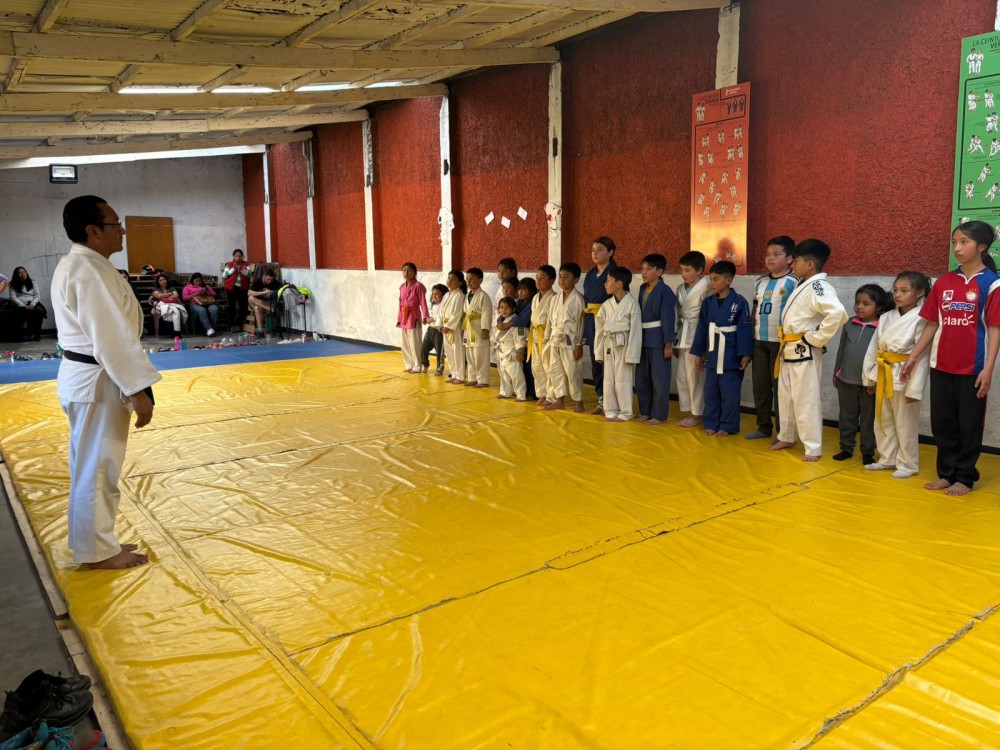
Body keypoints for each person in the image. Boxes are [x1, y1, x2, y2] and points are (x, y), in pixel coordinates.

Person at [52, 195, 159, 570]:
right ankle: (97, 553)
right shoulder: (87, 271)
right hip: (99, 381)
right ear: (93, 230)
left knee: (91, 467)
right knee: (99, 469)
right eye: (115, 224)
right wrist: (138, 390)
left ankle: (94, 543)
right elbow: (110, 338)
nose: (123, 230)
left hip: (88, 379)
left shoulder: (84, 266)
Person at [901, 220, 1000, 496]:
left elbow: (994, 328)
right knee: (943, 423)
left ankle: (965, 477)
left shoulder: (992, 285)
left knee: (969, 425)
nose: (957, 248)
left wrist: (989, 369)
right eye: (955, 242)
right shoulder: (944, 282)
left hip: (973, 368)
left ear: (981, 246)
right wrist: (913, 357)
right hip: (940, 365)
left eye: (964, 242)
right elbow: (932, 324)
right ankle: (946, 473)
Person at [770, 240, 849, 461]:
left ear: (810, 264)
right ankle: (786, 435)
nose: (793, 265)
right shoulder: (802, 283)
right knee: (786, 396)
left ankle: (812, 446)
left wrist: (814, 338)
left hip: (804, 349)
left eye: (796, 261)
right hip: (789, 348)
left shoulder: (818, 286)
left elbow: (837, 314)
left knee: (805, 399)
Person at [863, 271, 932, 478]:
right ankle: (887, 458)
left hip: (905, 375)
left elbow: (922, 357)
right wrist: (869, 376)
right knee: (882, 419)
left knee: (905, 423)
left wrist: (915, 388)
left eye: (904, 290)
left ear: (920, 293)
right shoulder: (886, 317)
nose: (898, 295)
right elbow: (873, 349)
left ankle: (908, 464)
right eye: (895, 290)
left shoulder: (922, 319)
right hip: (883, 372)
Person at [690, 260, 753, 437]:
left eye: (716, 279)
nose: (712, 283)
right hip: (712, 351)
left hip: (731, 354)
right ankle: (711, 422)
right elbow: (702, 328)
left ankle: (727, 425)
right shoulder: (707, 303)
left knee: (729, 393)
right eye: (711, 279)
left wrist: (746, 353)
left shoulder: (739, 302)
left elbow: (745, 328)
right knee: (710, 391)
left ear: (729, 280)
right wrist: (698, 353)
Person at [832, 284, 890, 464]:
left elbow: (882, 356)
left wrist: (877, 382)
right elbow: (842, 349)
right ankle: (846, 447)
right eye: (858, 302)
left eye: (866, 303)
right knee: (846, 417)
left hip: (869, 385)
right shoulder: (849, 323)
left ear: (878, 307)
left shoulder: (882, 327)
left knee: (868, 419)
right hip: (846, 380)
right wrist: (836, 373)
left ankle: (867, 452)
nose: (860, 307)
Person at [746, 236, 797, 440]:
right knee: (760, 386)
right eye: (768, 254)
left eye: (776, 255)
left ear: (790, 258)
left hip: (781, 344)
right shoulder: (760, 281)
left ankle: (783, 431)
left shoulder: (795, 282)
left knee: (781, 389)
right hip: (759, 341)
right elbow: (755, 310)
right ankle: (763, 426)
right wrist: (750, 336)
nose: (770, 259)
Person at [594, 267, 642, 422]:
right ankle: (610, 410)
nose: (605, 284)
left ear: (619, 284)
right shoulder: (607, 304)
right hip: (608, 345)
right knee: (608, 380)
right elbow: (599, 330)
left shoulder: (632, 304)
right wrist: (598, 352)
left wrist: (632, 355)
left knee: (623, 380)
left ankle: (626, 412)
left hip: (624, 346)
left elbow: (635, 331)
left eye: (608, 280)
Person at [635, 253, 676, 425]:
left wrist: (668, 343)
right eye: (643, 269)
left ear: (659, 272)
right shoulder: (642, 289)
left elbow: (668, 318)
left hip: (658, 339)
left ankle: (659, 414)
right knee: (642, 377)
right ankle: (645, 410)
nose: (644, 272)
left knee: (659, 379)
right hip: (642, 338)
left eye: (648, 269)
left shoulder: (665, 292)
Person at [675, 251, 711, 427]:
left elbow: (707, 317)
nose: (684, 274)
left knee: (695, 377)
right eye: (682, 270)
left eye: (688, 270)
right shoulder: (680, 289)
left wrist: (703, 346)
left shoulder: (707, 287)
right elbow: (678, 315)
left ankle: (698, 414)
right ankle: (690, 411)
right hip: (683, 334)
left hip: (698, 334)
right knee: (682, 376)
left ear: (700, 270)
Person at [545, 262, 586, 412]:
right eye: (560, 277)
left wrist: (580, 345)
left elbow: (582, 324)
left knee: (573, 371)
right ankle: (559, 400)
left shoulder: (578, 299)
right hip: (555, 340)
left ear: (575, 279)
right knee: (555, 370)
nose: (562, 280)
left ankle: (578, 402)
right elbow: (550, 321)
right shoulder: (554, 299)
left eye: (566, 277)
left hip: (571, 341)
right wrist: (546, 339)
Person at [583, 237, 617, 414]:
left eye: (600, 249)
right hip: (591, 320)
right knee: (596, 362)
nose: (594, 253)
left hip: (608, 322)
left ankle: (612, 399)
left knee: (609, 363)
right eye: (592, 250)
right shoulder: (590, 274)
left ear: (610, 252)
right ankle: (601, 398)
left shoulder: (616, 273)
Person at [530, 266, 558, 406]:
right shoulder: (535, 297)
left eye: (542, 278)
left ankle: (551, 396)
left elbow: (553, 321)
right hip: (535, 335)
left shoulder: (554, 298)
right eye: (537, 278)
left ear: (551, 281)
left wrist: (548, 337)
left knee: (549, 366)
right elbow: (532, 319)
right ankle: (541, 393)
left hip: (547, 336)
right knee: (536, 366)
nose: (538, 281)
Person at [463, 267, 493, 387]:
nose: (468, 282)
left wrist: (485, 329)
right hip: (469, 328)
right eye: (467, 279)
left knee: (480, 356)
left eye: (471, 279)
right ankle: (472, 377)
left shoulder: (483, 296)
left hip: (479, 329)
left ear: (480, 280)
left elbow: (486, 313)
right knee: (470, 355)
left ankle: (483, 380)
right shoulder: (467, 295)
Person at [493, 296, 527, 401]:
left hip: (513, 353)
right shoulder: (501, 323)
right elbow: (496, 336)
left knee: (517, 376)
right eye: (501, 307)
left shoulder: (516, 322)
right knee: (504, 374)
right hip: (502, 352)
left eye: (507, 308)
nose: (504, 310)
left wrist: (520, 351)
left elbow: (520, 338)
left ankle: (521, 395)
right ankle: (505, 392)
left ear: (513, 309)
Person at [396, 262, 428, 373]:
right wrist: (400, 318)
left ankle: (417, 365)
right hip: (403, 317)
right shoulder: (402, 286)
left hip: (414, 317)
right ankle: (409, 364)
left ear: (414, 272)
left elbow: (423, 302)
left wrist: (426, 316)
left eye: (409, 270)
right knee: (405, 343)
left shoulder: (419, 286)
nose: (406, 272)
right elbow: (400, 304)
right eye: (404, 270)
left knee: (415, 342)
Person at [439, 270, 467, 384]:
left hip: (455, 328)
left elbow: (457, 313)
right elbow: (441, 311)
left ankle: (460, 376)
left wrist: (449, 326)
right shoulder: (446, 294)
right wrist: (440, 324)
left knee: (458, 351)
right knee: (449, 352)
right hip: (445, 326)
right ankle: (454, 373)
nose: (449, 280)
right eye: (448, 277)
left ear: (460, 283)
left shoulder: (460, 295)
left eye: (453, 279)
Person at [9, 266, 47, 341]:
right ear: (16, 275)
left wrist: (32, 304)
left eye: (24, 272)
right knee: (17, 313)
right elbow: (13, 297)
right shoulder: (13, 284)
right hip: (20, 303)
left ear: (26, 273)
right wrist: (24, 306)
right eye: (19, 273)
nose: (22, 274)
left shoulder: (32, 282)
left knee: (39, 312)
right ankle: (20, 336)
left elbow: (37, 295)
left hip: (32, 303)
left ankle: (37, 335)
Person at [420, 284, 447, 375]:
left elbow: (438, 316)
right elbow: (430, 316)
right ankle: (425, 364)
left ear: (443, 295)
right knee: (424, 348)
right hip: (430, 329)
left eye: (437, 294)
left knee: (440, 351)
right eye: (433, 294)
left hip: (438, 331)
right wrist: (425, 320)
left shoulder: (444, 305)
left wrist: (430, 319)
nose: (434, 296)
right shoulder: (433, 304)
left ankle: (440, 367)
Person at [222, 248, 251, 332]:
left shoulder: (246, 264)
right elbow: (224, 275)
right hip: (231, 287)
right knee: (232, 307)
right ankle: (232, 324)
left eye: (240, 256)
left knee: (243, 307)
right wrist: (233, 269)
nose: (238, 258)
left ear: (242, 257)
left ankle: (239, 324)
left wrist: (242, 269)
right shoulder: (229, 264)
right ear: (233, 257)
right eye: (236, 256)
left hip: (242, 288)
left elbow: (249, 275)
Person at [182, 272, 220, 336]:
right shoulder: (187, 287)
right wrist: (196, 294)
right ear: (192, 280)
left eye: (200, 281)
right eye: (196, 281)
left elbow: (215, 295)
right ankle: (209, 329)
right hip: (195, 303)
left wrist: (207, 293)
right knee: (202, 310)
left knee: (214, 310)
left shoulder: (206, 286)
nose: (198, 282)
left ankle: (211, 329)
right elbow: (185, 298)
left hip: (208, 302)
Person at [249, 265, 281, 337]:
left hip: (266, 305)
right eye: (268, 279)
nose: (269, 282)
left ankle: (260, 332)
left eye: (271, 280)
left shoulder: (274, 282)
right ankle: (271, 309)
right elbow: (249, 293)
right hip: (264, 305)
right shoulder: (257, 281)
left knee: (257, 308)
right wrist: (263, 292)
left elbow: (281, 290)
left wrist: (272, 292)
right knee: (251, 298)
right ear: (263, 276)